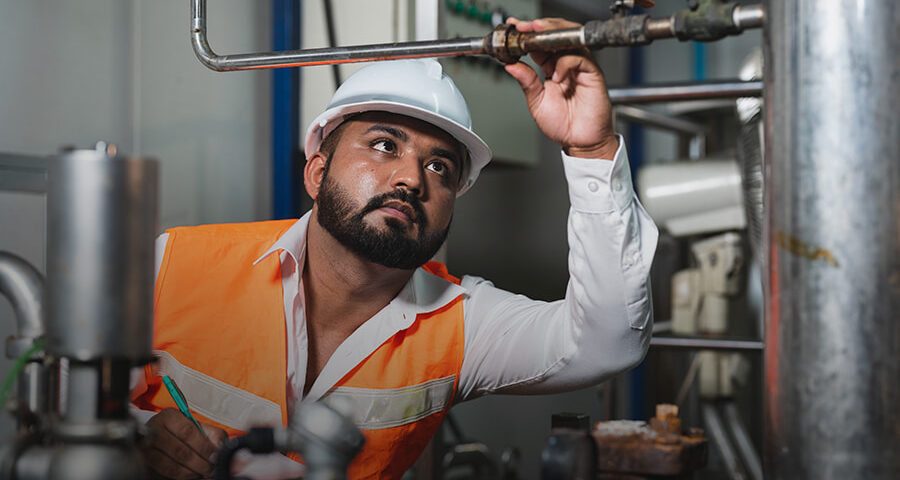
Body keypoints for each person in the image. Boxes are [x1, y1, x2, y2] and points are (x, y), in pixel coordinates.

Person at [131, 17, 658, 480]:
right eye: (384, 145)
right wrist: (137, 443)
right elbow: (64, 394)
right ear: (317, 172)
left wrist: (591, 150)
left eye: (439, 168)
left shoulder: (461, 325)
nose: (411, 178)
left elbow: (609, 341)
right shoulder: (169, 266)